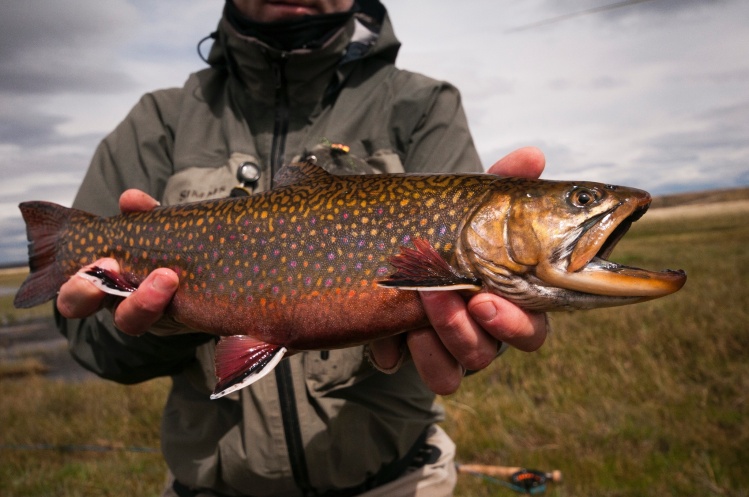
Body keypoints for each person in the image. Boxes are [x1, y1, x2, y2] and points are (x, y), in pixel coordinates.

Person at [55, 1, 548, 496]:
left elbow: (478, 299)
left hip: (400, 481)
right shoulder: (158, 121)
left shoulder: (421, 104)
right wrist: (169, 321)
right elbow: (93, 345)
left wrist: (484, 326)